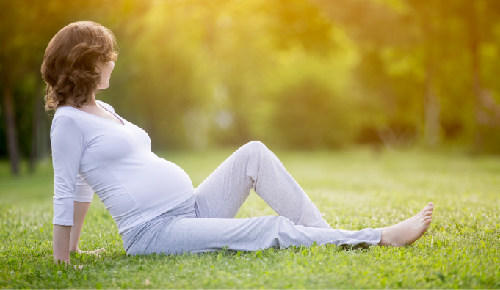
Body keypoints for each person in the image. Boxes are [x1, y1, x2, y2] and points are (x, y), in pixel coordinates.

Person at [41, 21, 433, 264]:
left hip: (190, 206)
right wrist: (64, 257)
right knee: (267, 229)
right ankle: (380, 238)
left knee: (254, 155)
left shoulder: (101, 108)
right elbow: (69, 189)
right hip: (154, 230)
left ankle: (325, 237)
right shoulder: (68, 123)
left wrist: (76, 250)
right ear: (85, 62)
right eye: (106, 56)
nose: (113, 62)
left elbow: (84, 184)